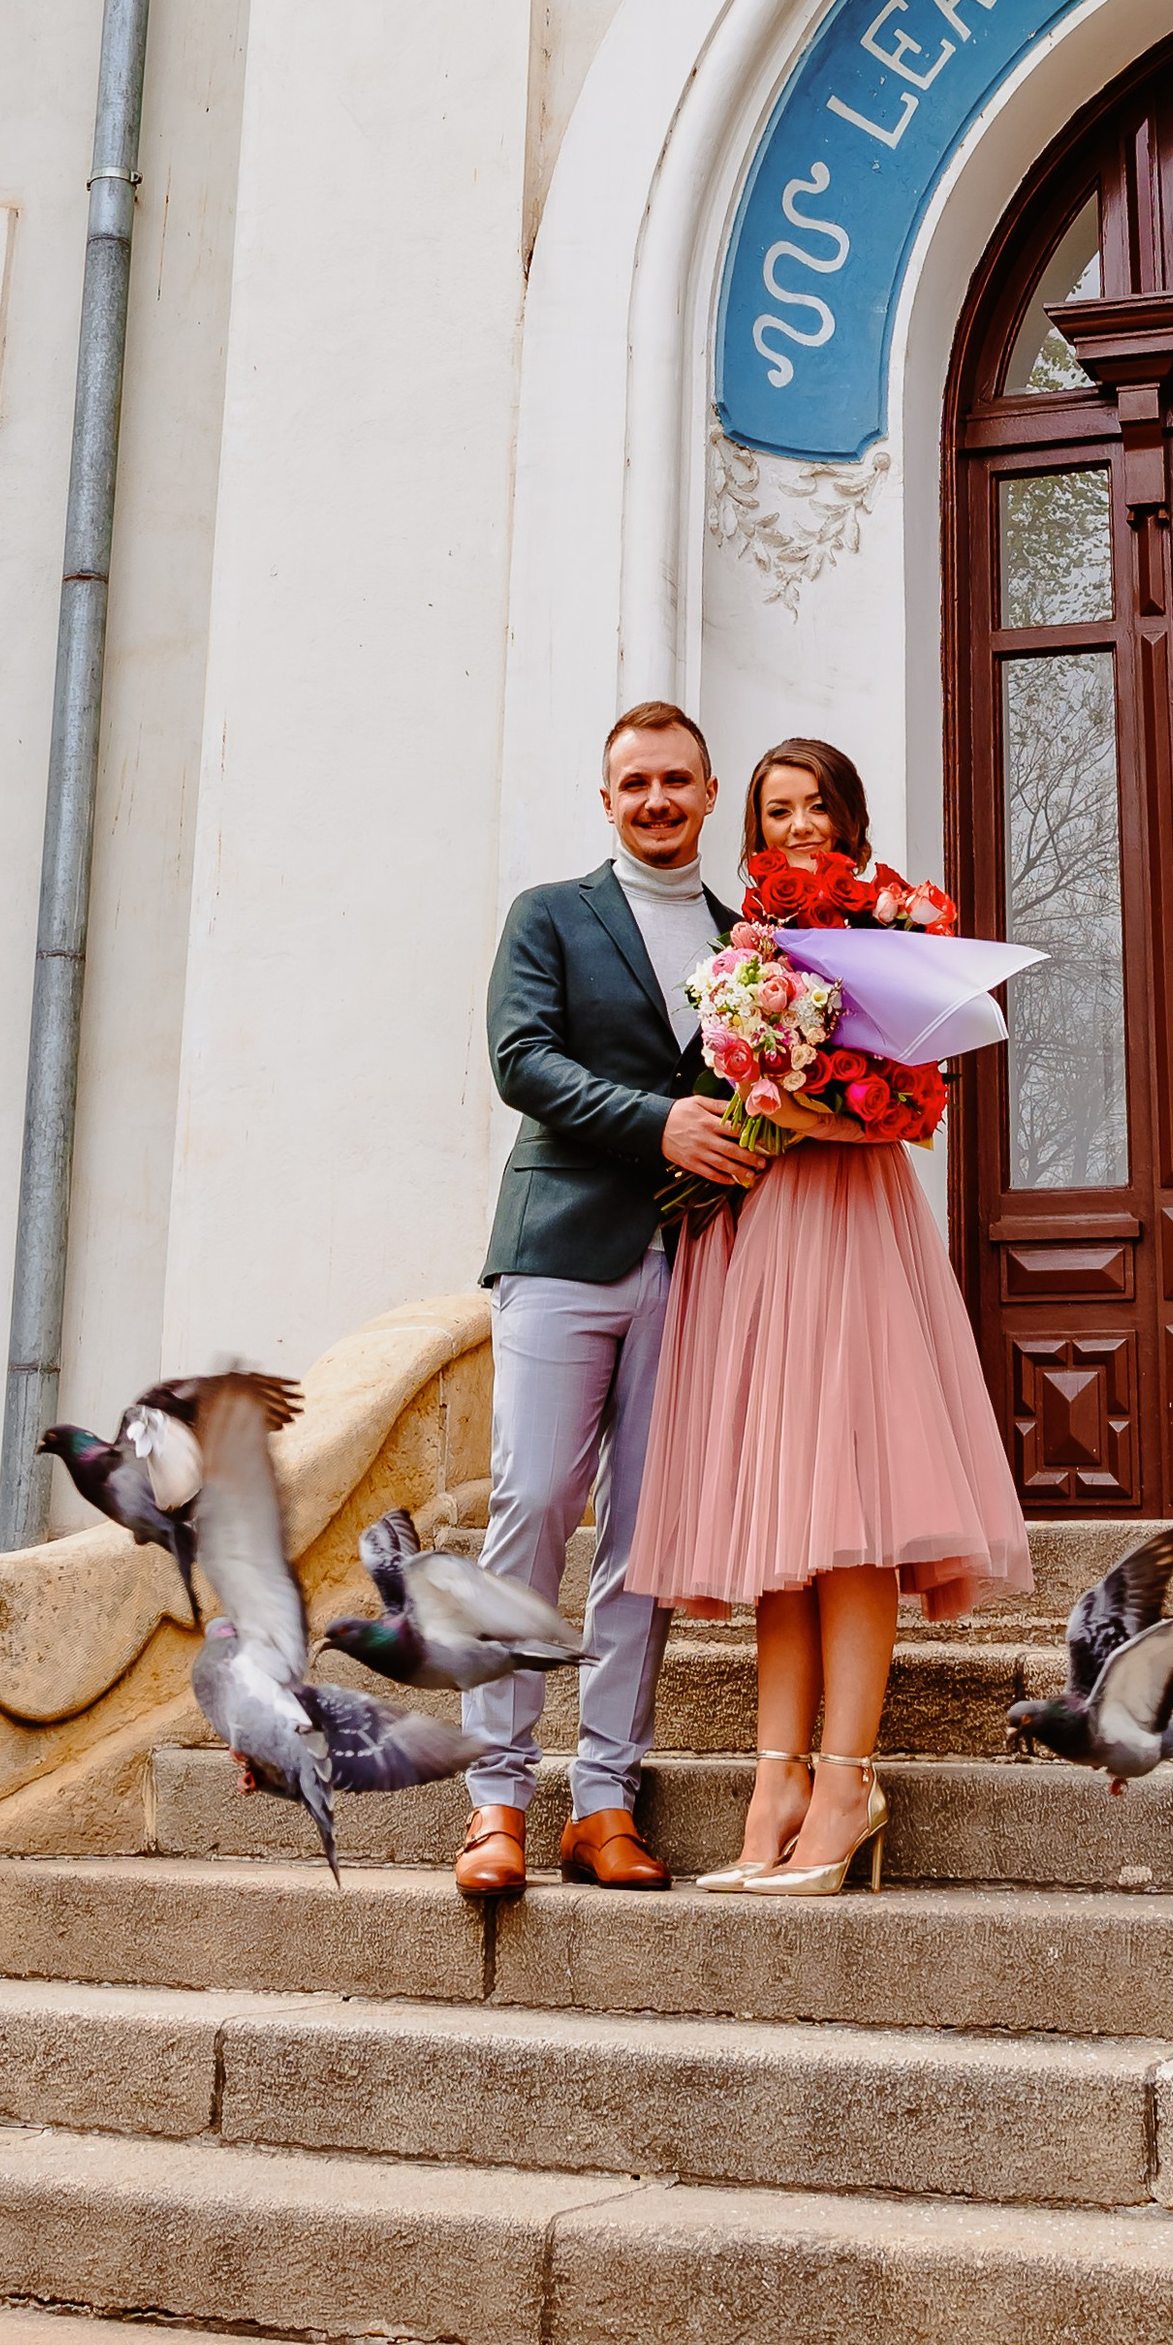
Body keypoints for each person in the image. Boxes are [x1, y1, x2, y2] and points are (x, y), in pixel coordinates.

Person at [628, 735, 1028, 1897]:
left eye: (813, 806)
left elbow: (913, 1107)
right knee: (782, 1530)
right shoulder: (741, 947)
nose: (796, 826)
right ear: (753, 829)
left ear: (846, 817)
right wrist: (749, 1094)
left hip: (849, 1226)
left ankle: (846, 1785)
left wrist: (804, 1116)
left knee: (849, 1511)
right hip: (759, 1232)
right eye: (776, 810)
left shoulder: (890, 924)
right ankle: (776, 1787)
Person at [455, 701, 765, 1901]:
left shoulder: (749, 943)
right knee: (532, 1502)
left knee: (643, 1535)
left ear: (707, 792)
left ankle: (602, 1803)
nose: (656, 801)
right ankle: (495, 1801)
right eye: (634, 783)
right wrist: (657, 1124)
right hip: (560, 1246)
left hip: (694, 1261)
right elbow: (520, 1060)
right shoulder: (549, 915)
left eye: (676, 781)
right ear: (606, 799)